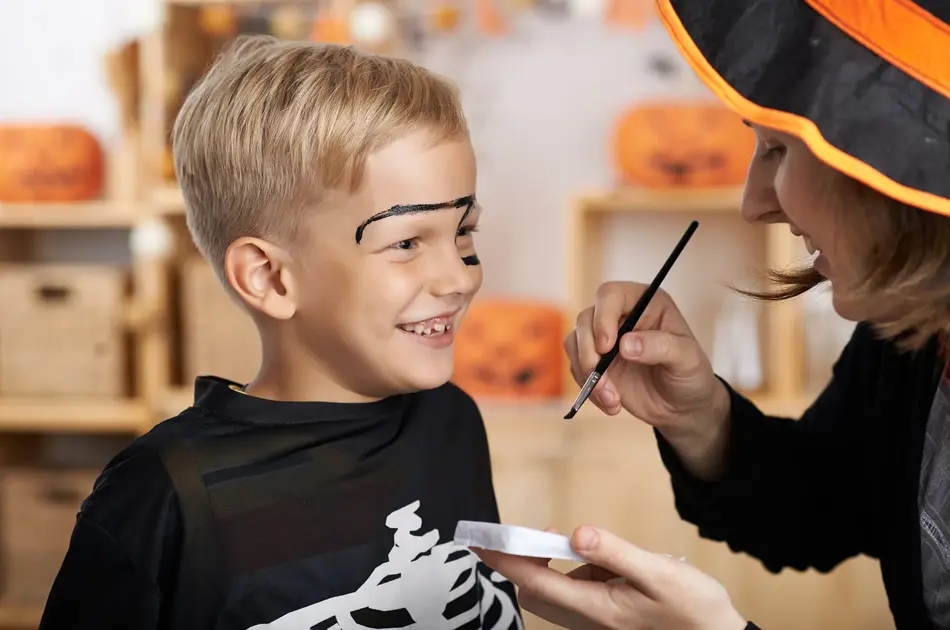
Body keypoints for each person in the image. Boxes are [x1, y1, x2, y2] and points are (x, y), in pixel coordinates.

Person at [474, 1, 950, 629]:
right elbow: (825, 505)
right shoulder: (908, 338)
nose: (754, 204)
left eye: (777, 149)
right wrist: (699, 417)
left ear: (897, 161)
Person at [39, 35, 523, 630]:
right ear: (269, 277)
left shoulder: (450, 421)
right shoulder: (161, 494)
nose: (459, 277)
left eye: (463, 231)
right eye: (405, 242)